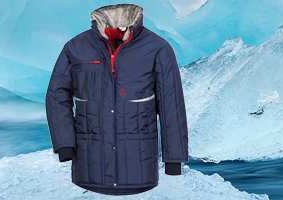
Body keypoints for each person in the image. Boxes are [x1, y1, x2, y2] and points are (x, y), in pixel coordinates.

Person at [45, 3, 188, 196]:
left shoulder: (158, 48)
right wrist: (65, 145)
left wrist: (174, 160)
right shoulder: (76, 47)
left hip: (139, 169)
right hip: (89, 167)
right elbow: (56, 95)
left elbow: (171, 104)